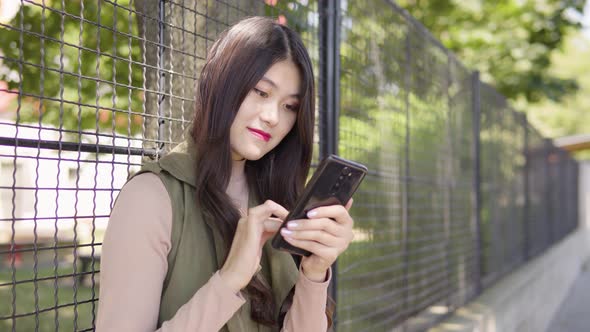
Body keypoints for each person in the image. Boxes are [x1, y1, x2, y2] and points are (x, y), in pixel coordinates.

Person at [96, 16, 355, 332]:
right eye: (261, 92)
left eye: (290, 106)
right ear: (222, 82)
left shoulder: (273, 203)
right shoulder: (150, 198)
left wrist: (314, 271)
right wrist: (229, 279)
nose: (273, 116)